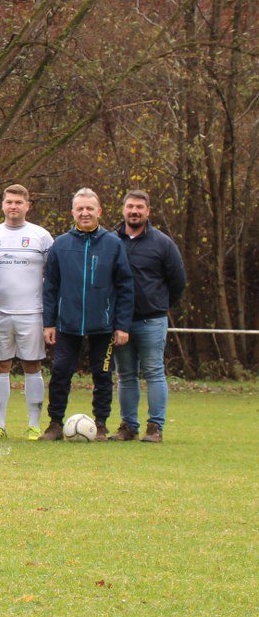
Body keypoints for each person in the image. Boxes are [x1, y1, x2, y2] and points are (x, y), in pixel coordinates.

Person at [40, 188, 134, 440]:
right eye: (79, 208)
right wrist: (48, 323)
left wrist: (122, 325)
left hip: (103, 326)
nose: (84, 213)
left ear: (99, 211)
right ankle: (55, 424)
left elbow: (125, 287)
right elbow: (50, 287)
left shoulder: (113, 244)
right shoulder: (61, 244)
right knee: (60, 373)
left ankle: (101, 424)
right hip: (66, 324)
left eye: (89, 208)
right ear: (72, 212)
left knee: (103, 375)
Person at [0, 184, 53, 440]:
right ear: (2, 204)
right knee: (0, 367)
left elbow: (52, 276)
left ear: (27, 205)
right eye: (9, 202)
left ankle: (34, 425)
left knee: (32, 366)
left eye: (19, 202)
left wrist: (50, 316)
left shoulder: (41, 236)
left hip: (32, 313)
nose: (13, 206)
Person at [114, 190, 186, 443]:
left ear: (148, 212)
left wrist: (160, 305)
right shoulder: (112, 241)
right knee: (125, 375)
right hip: (120, 323)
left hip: (151, 321)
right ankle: (128, 426)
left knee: (154, 372)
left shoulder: (162, 243)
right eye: (130, 206)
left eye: (139, 207)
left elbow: (178, 281)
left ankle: (155, 427)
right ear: (123, 209)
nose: (134, 211)